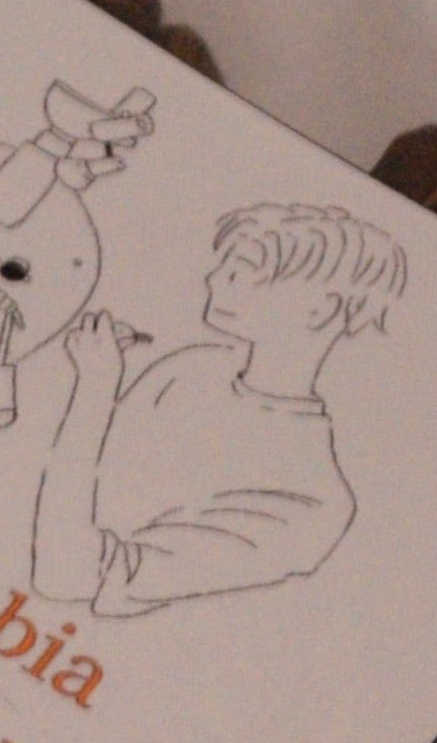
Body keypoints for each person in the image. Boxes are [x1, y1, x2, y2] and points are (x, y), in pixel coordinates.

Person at [31, 197, 405, 616]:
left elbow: (65, 573)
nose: (213, 278)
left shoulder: (310, 503)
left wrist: (95, 387)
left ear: (321, 309)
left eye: (241, 271)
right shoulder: (193, 368)